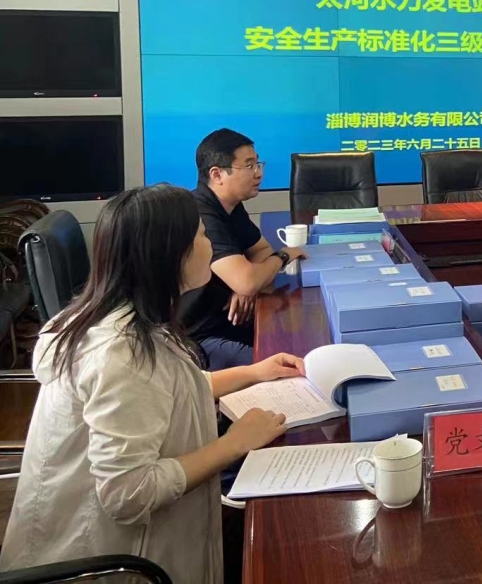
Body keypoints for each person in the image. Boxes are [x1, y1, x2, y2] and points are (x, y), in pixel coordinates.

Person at [0, 184, 303, 584]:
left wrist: (255, 372)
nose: (210, 245)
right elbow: (129, 493)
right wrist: (235, 443)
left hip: (140, 541)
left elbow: (170, 391)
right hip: (113, 564)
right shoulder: (120, 355)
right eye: (201, 236)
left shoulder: (125, 320)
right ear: (170, 255)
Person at [185, 128, 306, 371]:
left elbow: (260, 251)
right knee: (290, 369)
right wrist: (284, 255)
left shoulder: (230, 206)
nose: (259, 173)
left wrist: (247, 283)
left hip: (231, 321)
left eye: (258, 164)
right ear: (217, 174)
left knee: (298, 338)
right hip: (199, 339)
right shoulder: (200, 215)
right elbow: (250, 278)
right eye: (249, 165)